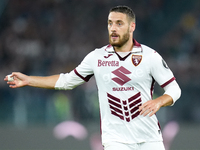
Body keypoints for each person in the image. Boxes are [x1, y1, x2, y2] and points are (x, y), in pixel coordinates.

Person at [4, 5, 181, 150]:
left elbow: (174, 89)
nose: (113, 28)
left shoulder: (150, 56)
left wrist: (160, 101)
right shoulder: (96, 58)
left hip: (150, 138)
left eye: (119, 23)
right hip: (115, 141)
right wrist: (29, 80)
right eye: (110, 23)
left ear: (132, 26)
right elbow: (66, 81)